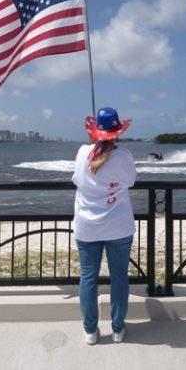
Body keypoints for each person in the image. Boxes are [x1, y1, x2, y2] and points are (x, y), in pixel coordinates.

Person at [72, 107, 136, 345]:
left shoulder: (82, 153)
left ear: (94, 132)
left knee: (88, 277)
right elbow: (129, 180)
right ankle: (118, 329)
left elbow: (77, 180)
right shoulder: (124, 156)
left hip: (87, 227)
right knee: (119, 277)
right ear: (117, 132)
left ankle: (90, 331)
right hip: (119, 225)